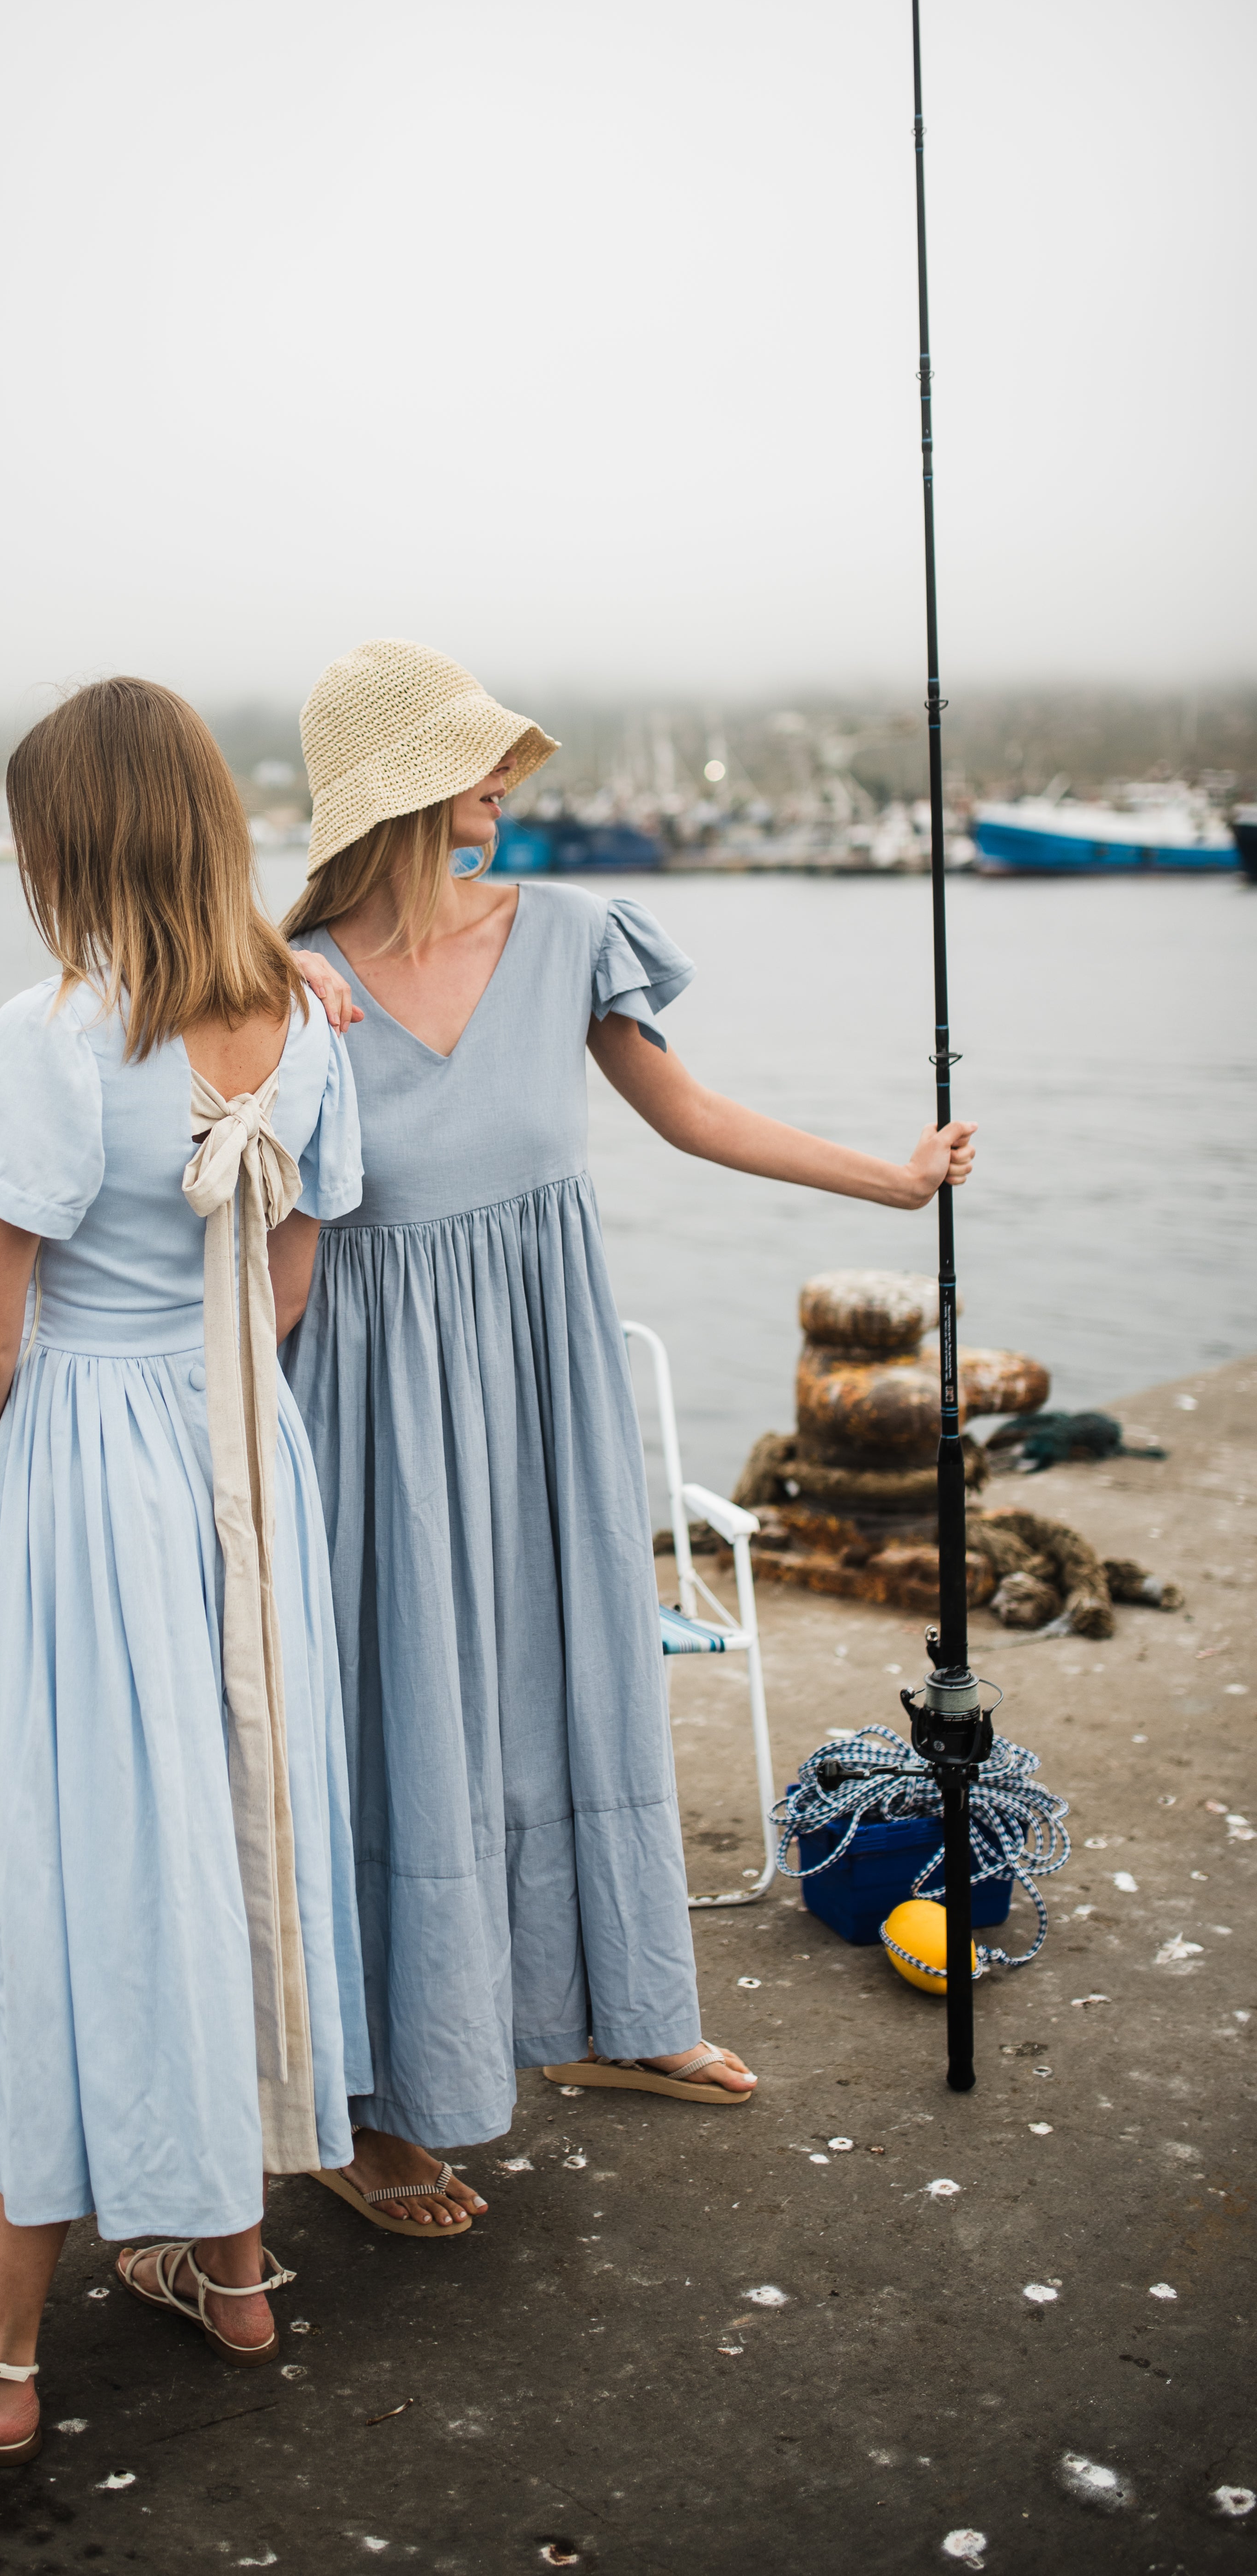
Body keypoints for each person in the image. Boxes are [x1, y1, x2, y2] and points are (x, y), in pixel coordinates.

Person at [280, 638, 977, 2236]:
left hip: (541, 1381)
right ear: (409, 792)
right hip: (371, 1413)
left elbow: (692, 1115)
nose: (509, 781)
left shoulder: (572, 935)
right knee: (407, 1725)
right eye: (479, 761)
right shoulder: (292, 978)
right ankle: (377, 2110)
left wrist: (891, 1181)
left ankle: (620, 2009)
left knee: (576, 1681)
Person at [0, 678, 369, 2462]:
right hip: (246, 1464)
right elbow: (290, 1278)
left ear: (67, 845)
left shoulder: (55, 1035)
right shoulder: (304, 1019)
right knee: (232, 1828)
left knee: (72, 1866)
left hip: (90, 1474)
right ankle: (233, 2260)